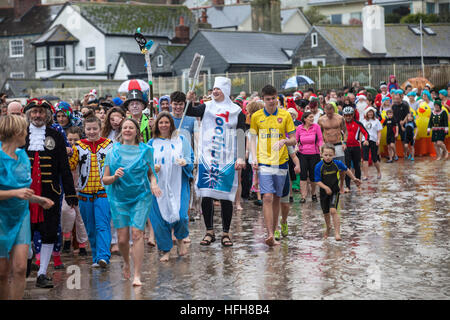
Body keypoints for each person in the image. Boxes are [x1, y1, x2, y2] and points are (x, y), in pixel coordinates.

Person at [23, 99, 78, 288]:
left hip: (50, 194)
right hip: (24, 195)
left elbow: (64, 167)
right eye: (34, 112)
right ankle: (29, 258)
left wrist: (70, 194)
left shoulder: (55, 135)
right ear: (29, 114)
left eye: (41, 112)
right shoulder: (21, 135)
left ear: (47, 114)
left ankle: (42, 273)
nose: (38, 115)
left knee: (49, 233)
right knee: (24, 233)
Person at [185, 77, 246, 248]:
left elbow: (241, 133)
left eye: (218, 89)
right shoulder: (207, 106)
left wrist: (241, 156)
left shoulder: (236, 111)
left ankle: (226, 233)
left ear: (225, 91)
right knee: (207, 193)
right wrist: (189, 100)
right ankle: (209, 231)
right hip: (208, 157)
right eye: (213, 88)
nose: (215, 91)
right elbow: (190, 112)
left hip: (227, 159)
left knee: (226, 195)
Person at [0, 115, 54, 299]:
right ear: (16, 133)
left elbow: (23, 191)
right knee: (2, 272)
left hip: (21, 215)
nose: (27, 134)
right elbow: (17, 191)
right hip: (1, 218)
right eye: (24, 130)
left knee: (21, 267)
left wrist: (39, 199)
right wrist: (14, 193)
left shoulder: (23, 156)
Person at [103, 118, 160, 284]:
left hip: (140, 197)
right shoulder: (112, 151)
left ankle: (137, 274)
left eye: (131, 127)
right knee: (122, 239)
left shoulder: (146, 150)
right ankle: (127, 262)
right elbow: (105, 179)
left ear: (136, 131)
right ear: (121, 131)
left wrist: (154, 184)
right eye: (125, 127)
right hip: (119, 198)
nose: (127, 130)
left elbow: (151, 173)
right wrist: (114, 176)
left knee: (137, 234)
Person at [250, 85, 296, 247]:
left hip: (281, 161)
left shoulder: (285, 115)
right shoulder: (256, 116)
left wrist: (284, 141)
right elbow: (252, 139)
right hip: (263, 161)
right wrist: (253, 158)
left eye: (273, 98)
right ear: (263, 100)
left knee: (277, 198)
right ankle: (269, 233)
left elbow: (294, 139)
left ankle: (275, 230)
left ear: (277, 98)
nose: (271, 101)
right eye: (268, 99)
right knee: (267, 197)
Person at [147, 113, 194, 262]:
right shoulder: (151, 143)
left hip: (178, 183)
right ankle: (165, 250)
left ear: (171, 124)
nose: (164, 125)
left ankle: (180, 240)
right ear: (157, 125)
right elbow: (145, 164)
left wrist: (185, 162)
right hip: (158, 186)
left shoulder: (181, 140)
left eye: (167, 122)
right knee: (160, 220)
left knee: (181, 216)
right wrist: (152, 168)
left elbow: (190, 158)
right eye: (161, 122)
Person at [69, 116, 114, 268]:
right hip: (84, 194)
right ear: (84, 130)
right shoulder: (78, 146)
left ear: (100, 129)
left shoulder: (110, 145)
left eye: (95, 128)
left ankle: (104, 256)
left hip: (104, 192)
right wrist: (67, 153)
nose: (92, 131)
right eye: (88, 129)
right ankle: (96, 257)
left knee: (102, 225)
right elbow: (71, 166)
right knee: (90, 227)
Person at [314, 143, 361, 241]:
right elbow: (317, 181)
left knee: (333, 210)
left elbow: (346, 169)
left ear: (334, 155)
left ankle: (337, 233)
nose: (328, 157)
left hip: (335, 191)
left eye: (330, 155)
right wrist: (325, 188)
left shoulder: (337, 163)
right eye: (326, 155)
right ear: (321, 154)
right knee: (326, 213)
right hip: (324, 193)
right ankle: (328, 227)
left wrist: (354, 178)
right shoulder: (319, 166)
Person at [61, 126, 88, 256]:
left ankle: (82, 244)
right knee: (65, 211)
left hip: (80, 188)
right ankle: (66, 237)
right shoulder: (63, 153)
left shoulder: (83, 153)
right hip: (66, 189)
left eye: (75, 140)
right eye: (69, 139)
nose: (72, 143)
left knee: (80, 217)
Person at [318, 103, 348, 193]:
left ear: (334, 111)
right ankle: (328, 186)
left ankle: (342, 185)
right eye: (328, 113)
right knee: (327, 167)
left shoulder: (339, 118)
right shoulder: (321, 120)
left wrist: (344, 142)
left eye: (331, 113)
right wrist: (321, 146)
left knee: (341, 167)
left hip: (338, 143)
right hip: (327, 145)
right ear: (325, 111)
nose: (329, 115)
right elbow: (319, 134)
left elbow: (345, 131)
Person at [296, 111, 323, 203]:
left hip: (314, 154)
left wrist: (321, 149)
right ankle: (303, 196)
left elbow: (320, 140)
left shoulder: (316, 127)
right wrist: (295, 148)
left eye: (312, 117)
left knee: (313, 176)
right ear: (305, 119)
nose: (312, 119)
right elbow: (296, 140)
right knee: (303, 175)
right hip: (302, 154)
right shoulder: (299, 128)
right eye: (310, 117)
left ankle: (313, 194)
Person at [342, 106, 368, 191]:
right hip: (346, 148)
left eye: (350, 115)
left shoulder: (358, 123)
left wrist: (366, 140)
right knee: (347, 167)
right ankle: (348, 186)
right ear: (344, 116)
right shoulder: (341, 124)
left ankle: (358, 185)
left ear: (353, 115)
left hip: (356, 147)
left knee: (357, 166)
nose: (348, 117)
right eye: (346, 115)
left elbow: (366, 133)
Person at [361, 107, 382, 180]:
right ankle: (365, 175)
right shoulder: (363, 121)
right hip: (365, 140)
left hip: (373, 140)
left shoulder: (376, 121)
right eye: (368, 112)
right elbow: (361, 132)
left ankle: (379, 171)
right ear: (366, 113)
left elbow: (379, 132)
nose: (370, 113)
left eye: (371, 112)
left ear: (373, 113)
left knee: (374, 158)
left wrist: (378, 140)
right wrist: (360, 141)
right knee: (365, 158)